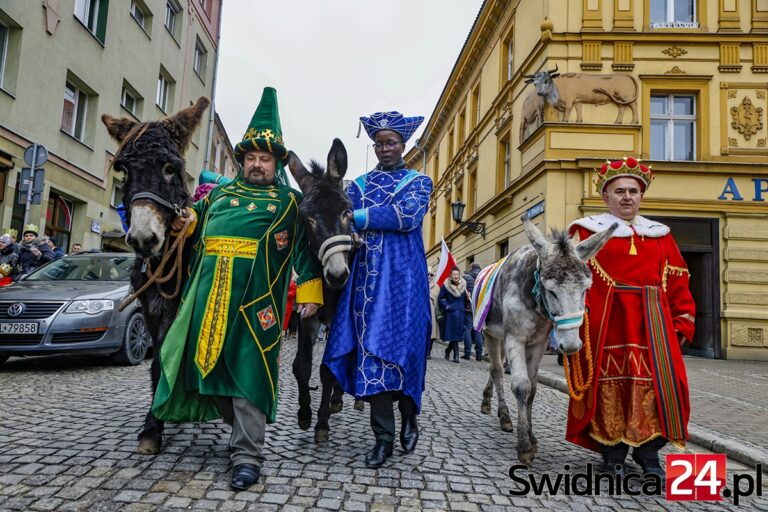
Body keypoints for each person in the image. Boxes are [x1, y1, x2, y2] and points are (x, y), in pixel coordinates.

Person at [151, 88, 323, 491]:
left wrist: (311, 292)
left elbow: (302, 251)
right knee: (201, 368)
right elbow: (193, 228)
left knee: (250, 376)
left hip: (255, 307)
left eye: (264, 158)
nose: (257, 164)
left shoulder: (287, 202)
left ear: (276, 163)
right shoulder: (220, 195)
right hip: (206, 300)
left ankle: (247, 455)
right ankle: (236, 431)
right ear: (242, 161)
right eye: (250, 158)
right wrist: (185, 223)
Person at [565, 157, 695, 484]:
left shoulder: (660, 235)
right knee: (610, 388)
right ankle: (613, 456)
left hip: (654, 328)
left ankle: (648, 453)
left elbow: (678, 283)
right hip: (607, 326)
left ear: (641, 196)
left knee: (660, 390)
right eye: (619, 191)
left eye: (633, 191)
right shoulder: (585, 232)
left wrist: (682, 321)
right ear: (606, 197)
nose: (627, 197)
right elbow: (569, 283)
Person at [324, 111, 432, 468]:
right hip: (367, 283)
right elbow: (338, 213)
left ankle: (410, 412)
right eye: (379, 143)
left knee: (406, 351)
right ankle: (383, 438)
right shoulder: (358, 185)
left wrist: (356, 218)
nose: (385, 148)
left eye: (392, 143)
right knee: (372, 355)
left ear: (403, 145)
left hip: (405, 282)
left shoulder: (419, 182)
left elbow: (406, 217)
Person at [438, 268, 467, 363]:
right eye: (454, 274)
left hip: (461, 313)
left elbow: (465, 302)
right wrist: (447, 306)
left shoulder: (464, 285)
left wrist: (467, 297)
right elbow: (441, 298)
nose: (456, 276)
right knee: (455, 334)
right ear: (450, 275)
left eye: (457, 274)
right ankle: (456, 355)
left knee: (457, 334)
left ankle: (448, 350)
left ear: (459, 275)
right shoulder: (446, 286)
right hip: (450, 314)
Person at [462, 262, 484, 361]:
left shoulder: (466, 277)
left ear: (471, 268)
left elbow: (462, 292)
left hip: (468, 307)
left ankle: (467, 353)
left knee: (468, 329)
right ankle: (479, 354)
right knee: (478, 330)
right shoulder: (483, 277)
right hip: (479, 308)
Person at [427, 269, 440, 359]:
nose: (429, 276)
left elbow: (438, 300)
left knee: (432, 334)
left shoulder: (436, 287)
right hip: (422, 310)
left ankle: (428, 352)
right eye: (427, 274)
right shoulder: (420, 284)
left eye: (431, 275)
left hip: (432, 310)